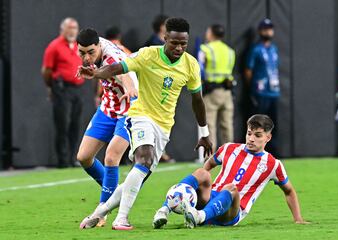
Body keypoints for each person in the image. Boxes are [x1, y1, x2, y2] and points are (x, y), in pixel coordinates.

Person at [77, 17, 213, 230]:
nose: (179, 48)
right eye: (174, 43)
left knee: (139, 173)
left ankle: (98, 212)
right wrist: (96, 73)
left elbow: (198, 100)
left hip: (163, 126)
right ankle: (121, 219)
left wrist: (204, 132)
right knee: (143, 157)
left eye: (183, 44)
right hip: (139, 115)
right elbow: (118, 68)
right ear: (164, 38)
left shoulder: (191, 65)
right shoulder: (148, 54)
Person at [153, 114, 309, 229]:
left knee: (231, 188)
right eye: (249, 133)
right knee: (202, 172)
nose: (251, 139)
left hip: (231, 212)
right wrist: (200, 185)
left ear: (268, 137)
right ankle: (164, 210)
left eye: (257, 135)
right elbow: (209, 165)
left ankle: (199, 216)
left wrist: (298, 218)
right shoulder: (229, 148)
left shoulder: (273, 164)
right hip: (211, 198)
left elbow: (289, 191)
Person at [74, 28, 138, 228]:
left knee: (111, 157)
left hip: (129, 107)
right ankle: (114, 192)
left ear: (99, 46)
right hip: (108, 107)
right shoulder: (95, 43)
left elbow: (124, 74)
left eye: (90, 52)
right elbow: (98, 70)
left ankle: (102, 212)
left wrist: (129, 89)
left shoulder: (112, 57)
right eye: (82, 52)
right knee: (83, 157)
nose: (86, 57)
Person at [41, 17, 84, 168]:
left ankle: (73, 157)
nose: (72, 31)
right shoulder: (54, 46)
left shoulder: (79, 46)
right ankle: (63, 160)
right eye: (69, 28)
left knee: (75, 123)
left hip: (77, 88)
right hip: (62, 88)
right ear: (63, 29)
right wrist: (50, 87)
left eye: (74, 28)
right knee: (62, 124)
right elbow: (46, 70)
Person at [245, 18, 280, 155]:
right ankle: (254, 151)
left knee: (273, 124)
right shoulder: (256, 49)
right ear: (260, 31)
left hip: (274, 92)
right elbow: (248, 71)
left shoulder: (274, 49)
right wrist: (252, 88)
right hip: (260, 92)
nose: (268, 31)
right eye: (265, 29)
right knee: (257, 124)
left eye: (270, 28)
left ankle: (272, 152)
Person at [198, 24, 236, 150]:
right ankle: (230, 154)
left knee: (209, 126)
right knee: (227, 125)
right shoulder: (230, 51)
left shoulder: (205, 49)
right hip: (227, 92)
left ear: (211, 33)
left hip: (212, 91)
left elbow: (200, 68)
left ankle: (210, 157)